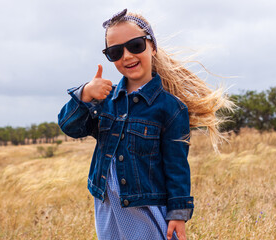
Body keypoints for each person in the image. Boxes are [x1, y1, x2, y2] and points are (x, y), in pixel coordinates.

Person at [58, 9, 233, 240]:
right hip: (107, 206)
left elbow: (176, 167)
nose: (127, 56)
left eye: (136, 45)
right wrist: (84, 93)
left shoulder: (171, 108)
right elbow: (70, 126)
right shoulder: (105, 100)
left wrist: (178, 214)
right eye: (116, 51)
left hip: (147, 208)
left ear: (151, 46)